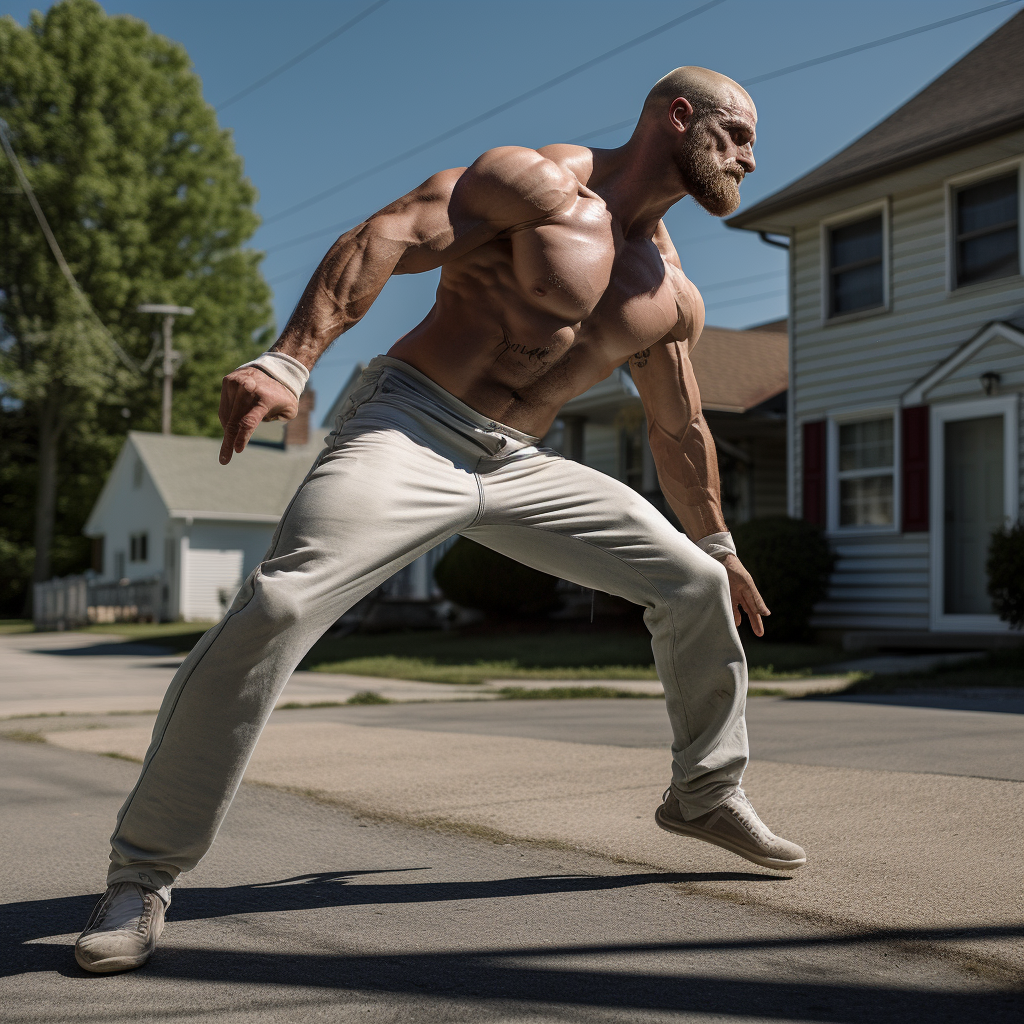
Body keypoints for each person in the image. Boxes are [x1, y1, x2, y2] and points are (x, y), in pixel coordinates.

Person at [75, 66, 805, 975]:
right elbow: (388, 233)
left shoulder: (670, 292)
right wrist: (288, 361)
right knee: (280, 606)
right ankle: (141, 875)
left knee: (694, 585)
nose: (749, 154)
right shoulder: (537, 182)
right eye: (736, 134)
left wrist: (721, 544)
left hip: (522, 462)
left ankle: (703, 795)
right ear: (679, 116)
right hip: (411, 424)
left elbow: (679, 425)